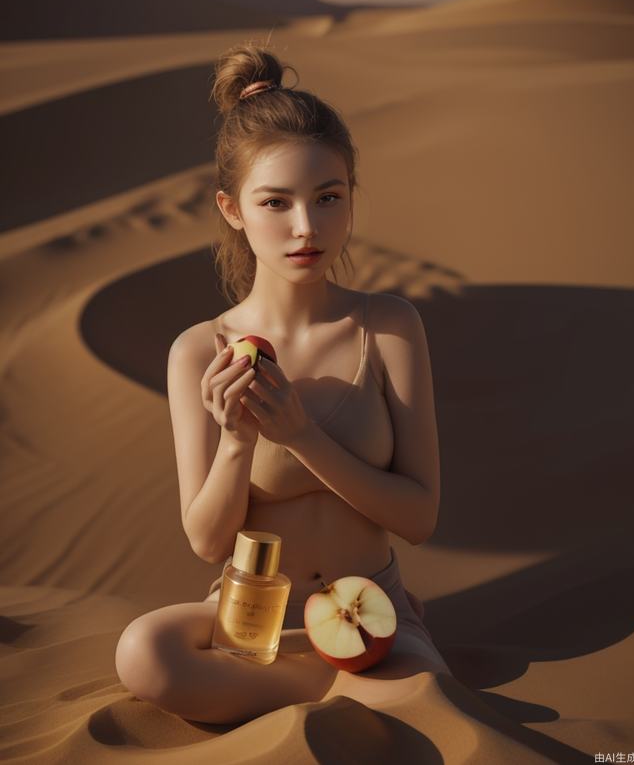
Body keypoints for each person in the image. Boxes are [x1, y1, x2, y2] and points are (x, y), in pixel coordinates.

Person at [114, 42, 452, 725]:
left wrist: (301, 436)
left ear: (351, 198)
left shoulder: (387, 326)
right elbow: (208, 542)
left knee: (415, 695)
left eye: (329, 197)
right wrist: (237, 442)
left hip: (367, 613)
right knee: (142, 651)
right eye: (277, 202)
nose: (307, 227)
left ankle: (370, 685)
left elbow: (418, 518)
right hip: (249, 622)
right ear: (232, 208)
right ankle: (347, 695)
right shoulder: (198, 351)